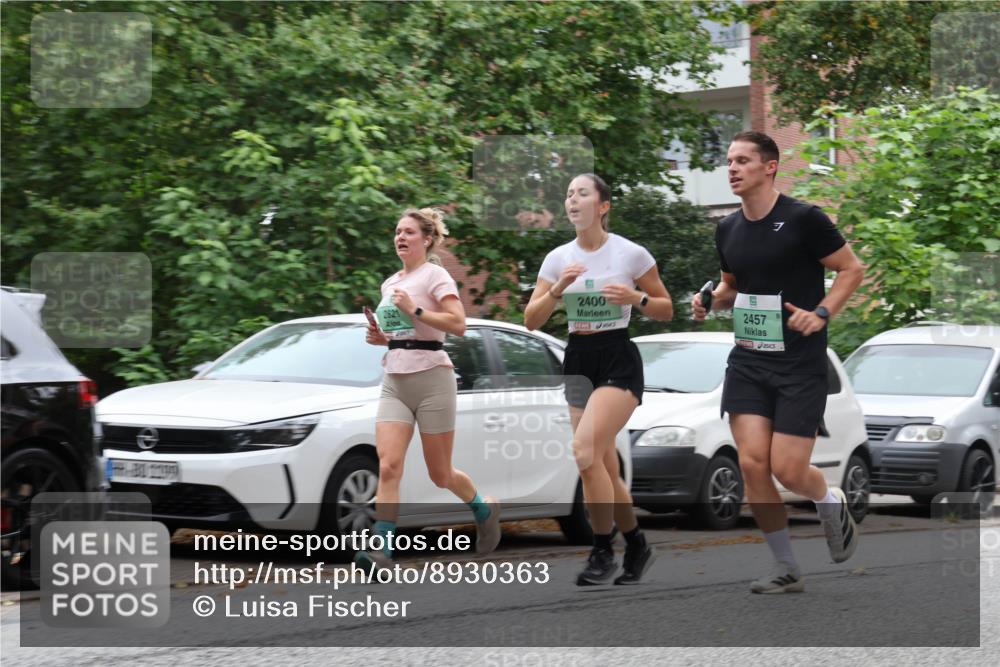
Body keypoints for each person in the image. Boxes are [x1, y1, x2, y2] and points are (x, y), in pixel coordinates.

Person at [692, 131, 865, 593]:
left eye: (743, 160)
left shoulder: (805, 219)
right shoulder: (727, 228)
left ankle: (829, 500)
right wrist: (711, 299)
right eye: (729, 161)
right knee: (752, 465)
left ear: (769, 167)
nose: (732, 168)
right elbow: (731, 287)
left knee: (788, 470)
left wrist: (822, 312)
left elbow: (852, 269)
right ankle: (786, 566)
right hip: (748, 360)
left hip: (799, 364)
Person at [525, 173, 673, 585]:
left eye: (582, 193)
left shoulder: (629, 255)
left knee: (584, 452)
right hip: (578, 357)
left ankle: (602, 550)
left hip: (617, 358)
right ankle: (637, 543)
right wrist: (557, 290)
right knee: (601, 465)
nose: (573, 201)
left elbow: (665, 308)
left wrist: (636, 298)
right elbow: (531, 319)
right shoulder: (557, 259)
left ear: (603, 206)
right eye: (569, 195)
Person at [357, 207, 501, 571]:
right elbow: (401, 334)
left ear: (427, 239)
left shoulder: (436, 276)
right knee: (389, 466)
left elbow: (458, 324)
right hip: (394, 379)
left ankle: (483, 510)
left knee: (441, 474)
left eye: (408, 232)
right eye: (397, 231)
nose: (400, 237)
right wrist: (381, 338)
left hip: (433, 378)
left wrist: (417, 309)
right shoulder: (389, 284)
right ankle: (383, 552)